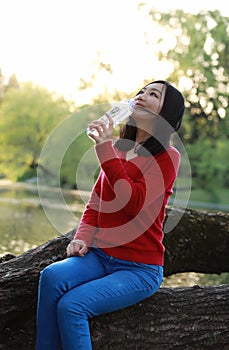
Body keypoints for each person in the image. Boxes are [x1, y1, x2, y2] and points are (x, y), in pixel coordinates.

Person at [36, 80, 185, 350]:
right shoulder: (118, 149)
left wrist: (104, 147)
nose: (142, 96)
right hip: (101, 256)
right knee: (51, 277)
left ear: (166, 115)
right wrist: (82, 237)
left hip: (139, 269)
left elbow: (134, 202)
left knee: (72, 306)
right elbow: (97, 201)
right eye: (141, 91)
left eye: (154, 94)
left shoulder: (168, 157)